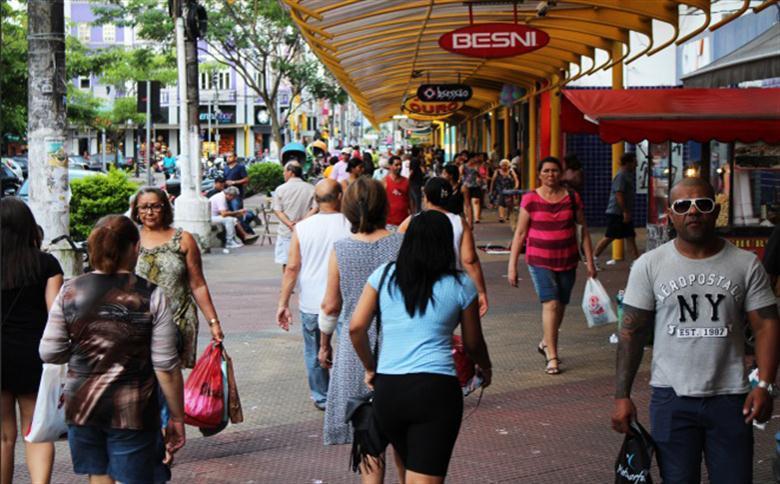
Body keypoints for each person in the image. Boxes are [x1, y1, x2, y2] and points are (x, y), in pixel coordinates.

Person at [611, 177, 779, 484]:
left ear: (715, 211)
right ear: (670, 214)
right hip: (671, 399)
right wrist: (622, 396)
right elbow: (631, 332)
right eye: (682, 206)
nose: (693, 211)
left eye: (702, 204)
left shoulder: (745, 264)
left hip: (731, 398)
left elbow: (766, 324)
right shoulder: (650, 265)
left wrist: (765, 385)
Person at [40, 215, 186, 484]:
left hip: (82, 405)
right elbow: (165, 366)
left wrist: (82, 351)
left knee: (98, 475)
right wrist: (177, 417)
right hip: (133, 408)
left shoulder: (70, 291)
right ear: (135, 248)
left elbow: (49, 351)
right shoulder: (150, 294)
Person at [350, 210, 492, 482]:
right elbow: (473, 342)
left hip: (389, 389)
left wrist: (370, 366)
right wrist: (485, 367)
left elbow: (356, 327)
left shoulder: (384, 275)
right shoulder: (461, 284)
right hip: (436, 389)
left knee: (407, 468)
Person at [318, 178, 404, 480]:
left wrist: (324, 344)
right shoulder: (401, 243)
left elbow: (331, 306)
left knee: (369, 439)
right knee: (404, 436)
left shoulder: (341, 249)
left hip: (357, 350)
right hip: (400, 345)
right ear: (384, 205)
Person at [507, 157, 597, 375]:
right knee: (552, 304)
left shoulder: (572, 198)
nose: (550, 174)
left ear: (561, 174)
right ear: (539, 174)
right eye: (546, 171)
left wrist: (590, 262)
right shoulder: (530, 199)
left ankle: (546, 341)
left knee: (561, 305)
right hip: (539, 261)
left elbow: (583, 231)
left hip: (568, 260)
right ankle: (553, 356)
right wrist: (512, 266)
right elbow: (520, 233)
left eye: (555, 170)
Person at [1, 197, 63, 484]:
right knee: (35, 429)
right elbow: (55, 316)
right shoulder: (46, 264)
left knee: (3, 435)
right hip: (32, 354)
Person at [276, 180, 351, 411]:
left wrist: (283, 303)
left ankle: (322, 396)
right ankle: (347, 393)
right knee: (348, 348)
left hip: (311, 301)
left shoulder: (302, 228)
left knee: (313, 349)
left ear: (316, 201)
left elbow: (292, 268)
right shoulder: (351, 224)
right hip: (344, 299)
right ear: (340, 196)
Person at [132, 186, 224, 369]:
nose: (149, 212)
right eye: (143, 207)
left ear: (165, 208)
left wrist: (214, 323)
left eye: (155, 206)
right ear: (136, 210)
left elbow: (198, 285)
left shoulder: (183, 239)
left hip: (178, 320)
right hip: (139, 323)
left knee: (169, 377)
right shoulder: (131, 240)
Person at [398, 177, 488, 317]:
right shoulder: (459, 222)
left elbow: (397, 248)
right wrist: (481, 292)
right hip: (450, 287)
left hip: (417, 286)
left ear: (426, 197)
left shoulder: (412, 221)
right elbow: (469, 260)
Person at [593, 152, 640, 266]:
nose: (636, 165)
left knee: (630, 236)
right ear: (628, 163)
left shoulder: (627, 175)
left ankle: (636, 263)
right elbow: (619, 194)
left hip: (623, 212)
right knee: (610, 236)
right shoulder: (621, 176)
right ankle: (593, 258)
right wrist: (625, 211)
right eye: (634, 162)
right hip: (617, 212)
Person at [273, 161, 316, 270]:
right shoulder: (311, 188)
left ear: (290, 172)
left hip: (286, 232)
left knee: (287, 264)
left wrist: (290, 224)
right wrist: (301, 223)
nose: (283, 174)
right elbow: (315, 208)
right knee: (305, 263)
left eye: (284, 171)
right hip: (306, 231)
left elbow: (278, 211)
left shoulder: (280, 189)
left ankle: (287, 282)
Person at [383, 155, 411, 230]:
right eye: (396, 165)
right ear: (390, 166)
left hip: (404, 222)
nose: (399, 167)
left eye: (400, 165)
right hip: (389, 223)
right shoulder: (384, 182)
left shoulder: (406, 181)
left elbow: (410, 200)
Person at [489, 159, 520, 223]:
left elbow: (516, 179)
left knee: (510, 203)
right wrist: (491, 189)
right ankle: (501, 216)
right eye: (503, 165)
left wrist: (516, 186)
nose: (504, 167)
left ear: (508, 165)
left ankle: (509, 215)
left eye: (506, 165)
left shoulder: (511, 171)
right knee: (501, 202)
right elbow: (493, 181)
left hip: (509, 189)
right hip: (500, 189)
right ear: (500, 166)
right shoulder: (497, 171)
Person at [462, 155, 484, 224]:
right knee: (466, 202)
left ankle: (476, 218)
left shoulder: (478, 166)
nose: (475, 159)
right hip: (466, 186)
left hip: (475, 185)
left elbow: (481, 174)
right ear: (470, 159)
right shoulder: (463, 166)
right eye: (474, 158)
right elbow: (460, 175)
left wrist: (479, 177)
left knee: (476, 201)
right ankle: (467, 216)